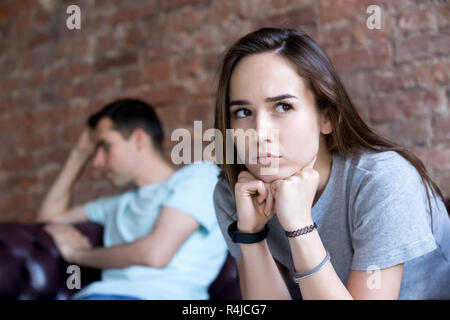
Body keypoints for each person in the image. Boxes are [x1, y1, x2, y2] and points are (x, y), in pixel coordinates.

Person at [212, 28, 450, 300]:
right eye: (243, 112)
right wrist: (251, 235)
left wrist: (300, 225)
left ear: (326, 115)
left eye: (283, 107)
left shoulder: (384, 180)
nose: (259, 132)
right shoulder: (235, 193)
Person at [37, 98, 228, 300]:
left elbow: (156, 255)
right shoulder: (117, 205)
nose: (97, 162)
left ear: (139, 139)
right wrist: (78, 154)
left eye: (105, 146)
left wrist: (78, 255)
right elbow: (47, 221)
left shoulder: (200, 177)